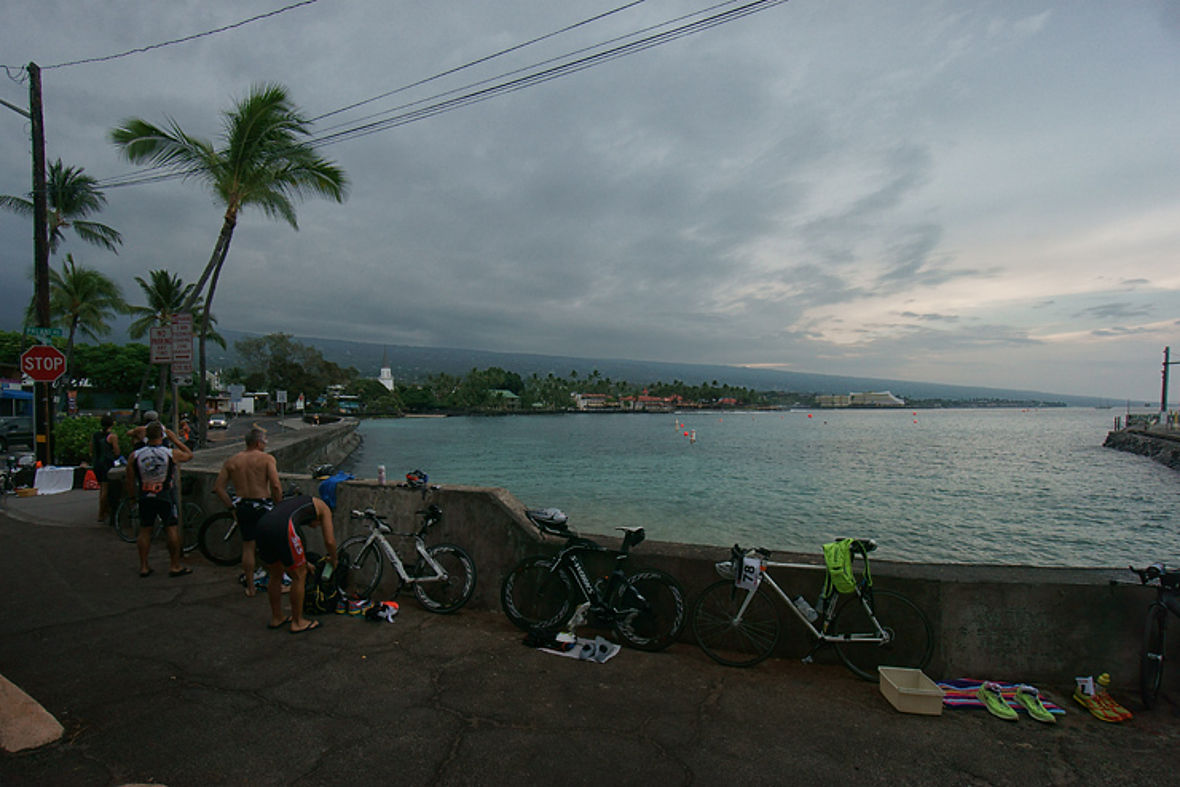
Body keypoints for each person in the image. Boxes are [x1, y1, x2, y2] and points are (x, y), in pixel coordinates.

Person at [213, 427, 283, 597]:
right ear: (259, 443)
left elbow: (218, 488)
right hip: (263, 506)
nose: (265, 445)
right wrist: (279, 505)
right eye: (265, 442)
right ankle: (278, 583)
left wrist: (231, 508)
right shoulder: (267, 459)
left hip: (243, 506)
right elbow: (275, 485)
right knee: (275, 546)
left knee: (248, 547)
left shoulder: (232, 461)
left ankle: (250, 587)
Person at [254, 495, 337, 633]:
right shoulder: (324, 509)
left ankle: (277, 617)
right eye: (319, 524)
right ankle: (298, 621)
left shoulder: (299, 502)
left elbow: (291, 546)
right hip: (283, 527)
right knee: (299, 576)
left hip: (263, 525)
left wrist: (303, 561)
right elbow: (329, 541)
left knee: (275, 575)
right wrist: (334, 559)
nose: (316, 527)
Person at [129, 420, 194, 578]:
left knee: (145, 529)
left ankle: (144, 566)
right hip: (164, 494)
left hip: (145, 494)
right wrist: (175, 439)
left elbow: (130, 479)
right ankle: (174, 565)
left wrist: (133, 498)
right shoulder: (169, 453)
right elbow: (189, 455)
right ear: (162, 435)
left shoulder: (136, 455)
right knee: (171, 528)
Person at [91, 414, 120, 522]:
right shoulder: (112, 436)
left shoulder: (95, 435)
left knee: (101, 488)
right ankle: (101, 513)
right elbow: (117, 452)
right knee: (105, 489)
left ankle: (103, 511)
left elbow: (92, 448)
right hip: (106, 463)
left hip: (97, 463)